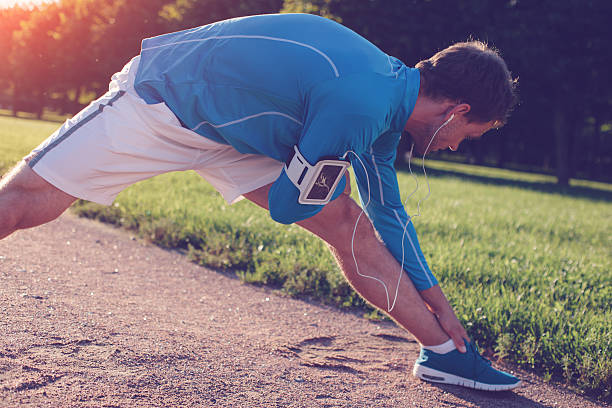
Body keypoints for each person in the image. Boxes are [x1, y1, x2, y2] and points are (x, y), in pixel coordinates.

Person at [0, 13, 520, 391]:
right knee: (25, 202)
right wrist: (318, 175)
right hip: (166, 100)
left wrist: (442, 304)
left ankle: (447, 351)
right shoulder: (364, 104)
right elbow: (289, 207)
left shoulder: (390, 103)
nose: (457, 145)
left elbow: (390, 213)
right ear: (457, 110)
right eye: (471, 133)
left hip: (240, 131)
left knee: (348, 222)